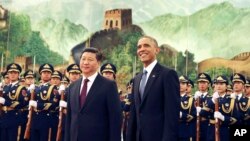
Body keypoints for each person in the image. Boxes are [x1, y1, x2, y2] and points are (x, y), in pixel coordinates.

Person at [126, 36, 180, 141]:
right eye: (139, 47)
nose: (142, 49)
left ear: (156, 50)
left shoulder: (167, 74)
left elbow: (172, 114)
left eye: (146, 45)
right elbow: (134, 114)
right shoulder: (137, 79)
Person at [65, 47, 122, 141]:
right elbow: (69, 119)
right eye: (83, 59)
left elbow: (115, 118)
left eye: (90, 60)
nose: (85, 62)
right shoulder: (72, 87)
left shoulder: (108, 85)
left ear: (98, 63)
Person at [0, 63, 29, 141]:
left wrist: (5, 102)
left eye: (15, 73)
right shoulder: (5, 87)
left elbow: (23, 104)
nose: (12, 74)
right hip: (3, 117)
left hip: (13, 117)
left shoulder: (22, 88)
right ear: (8, 74)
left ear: (18, 74)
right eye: (11, 73)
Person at [178, 75, 196, 141]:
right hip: (172, 130)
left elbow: (193, 116)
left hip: (185, 131)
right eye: (179, 83)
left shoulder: (191, 99)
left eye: (183, 83)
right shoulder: (171, 98)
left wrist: (182, 115)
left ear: (187, 86)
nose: (180, 85)